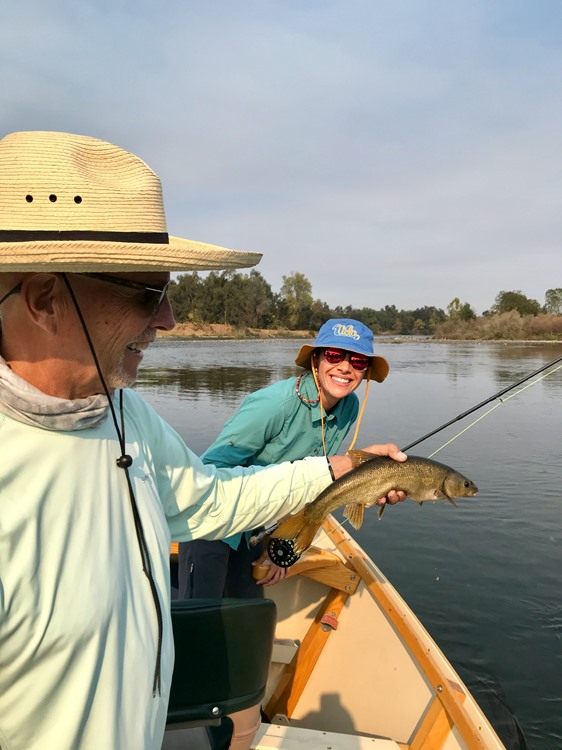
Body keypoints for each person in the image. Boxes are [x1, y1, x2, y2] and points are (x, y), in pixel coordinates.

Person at [0, 130, 407, 750]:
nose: (168, 320)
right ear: (45, 299)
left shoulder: (127, 417)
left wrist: (344, 468)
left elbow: (211, 498)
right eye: (149, 293)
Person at [178, 317, 392, 599]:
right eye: (335, 355)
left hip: (259, 527)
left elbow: (313, 485)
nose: (345, 367)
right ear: (316, 359)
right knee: (199, 620)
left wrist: (283, 546)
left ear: (366, 371)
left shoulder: (348, 406)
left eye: (358, 361)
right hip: (213, 524)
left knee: (245, 616)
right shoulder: (274, 404)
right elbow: (208, 472)